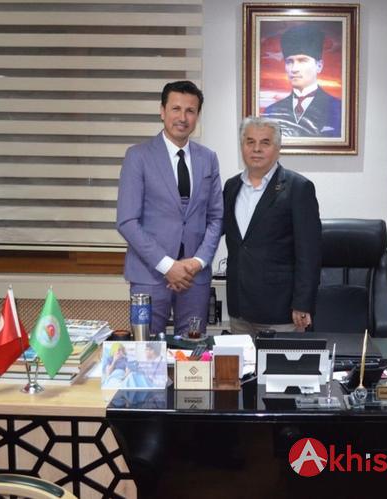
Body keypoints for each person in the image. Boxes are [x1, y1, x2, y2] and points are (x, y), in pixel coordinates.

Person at [117, 81, 223, 335]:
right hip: (149, 276)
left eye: (190, 111)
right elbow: (127, 221)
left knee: (193, 351)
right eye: (176, 109)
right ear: (162, 111)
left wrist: (197, 261)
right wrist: (168, 266)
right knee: (147, 351)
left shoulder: (208, 158)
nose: (182, 117)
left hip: (194, 277)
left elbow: (216, 217)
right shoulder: (138, 156)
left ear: (197, 115)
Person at [223, 117, 321, 334]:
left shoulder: (298, 188)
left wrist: (303, 303)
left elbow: (309, 253)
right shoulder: (231, 187)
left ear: (277, 148)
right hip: (239, 309)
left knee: (280, 359)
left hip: (281, 311)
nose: (256, 149)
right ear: (242, 146)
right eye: (250, 142)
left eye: (265, 143)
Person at [263, 23, 341, 138]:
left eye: (302, 61)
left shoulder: (338, 109)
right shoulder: (271, 112)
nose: (294, 69)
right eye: (289, 61)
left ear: (319, 66)